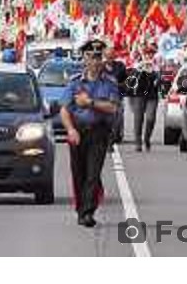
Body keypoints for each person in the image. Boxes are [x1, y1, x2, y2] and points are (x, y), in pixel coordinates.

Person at [60, 39, 120, 228]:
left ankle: (87, 212)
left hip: (98, 132)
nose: (94, 62)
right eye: (90, 57)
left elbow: (112, 108)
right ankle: (81, 208)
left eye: (97, 57)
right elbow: (64, 109)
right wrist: (70, 130)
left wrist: (90, 103)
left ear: (102, 60)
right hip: (78, 131)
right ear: (84, 59)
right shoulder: (75, 82)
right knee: (79, 173)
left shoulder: (109, 83)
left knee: (93, 173)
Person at [128, 46, 161, 152]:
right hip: (139, 94)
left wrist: (156, 73)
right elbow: (131, 81)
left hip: (152, 95)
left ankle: (147, 138)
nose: (149, 56)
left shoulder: (157, 66)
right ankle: (138, 142)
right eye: (147, 54)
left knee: (151, 117)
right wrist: (139, 70)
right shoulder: (138, 65)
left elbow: (161, 81)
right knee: (138, 118)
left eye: (151, 54)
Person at [103, 44, 127, 144]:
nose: (110, 58)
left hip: (117, 96)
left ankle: (116, 134)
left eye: (112, 56)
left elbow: (126, 81)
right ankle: (106, 136)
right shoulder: (101, 67)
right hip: (104, 97)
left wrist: (119, 85)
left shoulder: (120, 66)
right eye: (108, 56)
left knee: (118, 115)